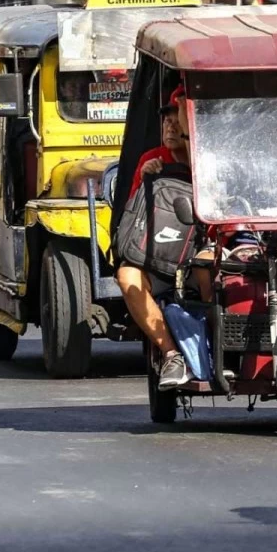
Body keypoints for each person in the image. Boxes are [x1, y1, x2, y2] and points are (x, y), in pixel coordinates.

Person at [116, 86, 196, 388]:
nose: (170, 126)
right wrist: (146, 181)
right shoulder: (151, 159)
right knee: (126, 275)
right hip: (159, 258)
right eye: (166, 120)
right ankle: (172, 353)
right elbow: (134, 218)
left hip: (200, 258)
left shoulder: (206, 159)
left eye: (178, 119)